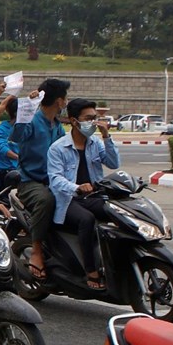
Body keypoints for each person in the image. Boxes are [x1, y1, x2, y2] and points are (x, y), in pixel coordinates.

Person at [47, 98, 120, 289]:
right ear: (73, 120)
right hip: (69, 199)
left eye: (95, 118)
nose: (93, 123)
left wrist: (106, 136)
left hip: (94, 197)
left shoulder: (95, 143)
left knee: (119, 212)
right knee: (86, 220)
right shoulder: (58, 148)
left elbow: (113, 163)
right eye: (88, 118)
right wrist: (77, 187)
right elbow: (55, 179)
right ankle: (91, 271)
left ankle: (116, 262)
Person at [11, 78, 70, 281]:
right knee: (47, 200)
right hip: (31, 181)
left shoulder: (57, 126)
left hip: (56, 180)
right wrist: (27, 107)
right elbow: (17, 136)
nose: (66, 102)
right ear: (59, 101)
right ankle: (36, 250)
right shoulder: (34, 121)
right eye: (65, 98)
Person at [0, 96, 19, 185]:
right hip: (7, 169)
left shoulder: (28, 128)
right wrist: (19, 158)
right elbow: (2, 148)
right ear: (15, 113)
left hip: (25, 167)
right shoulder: (2, 130)